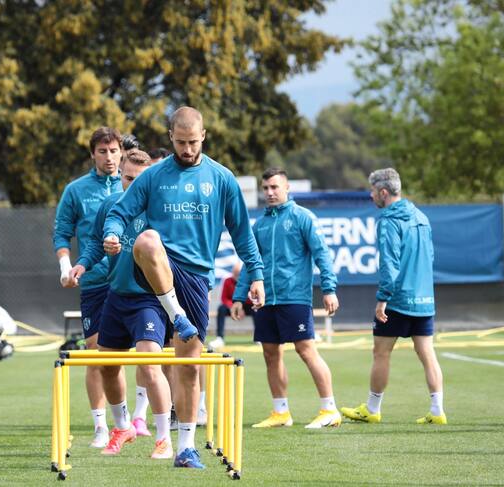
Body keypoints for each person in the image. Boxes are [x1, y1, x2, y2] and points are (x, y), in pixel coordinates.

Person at [102, 106, 265, 469]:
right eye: (180, 142)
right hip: (155, 270)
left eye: (193, 142)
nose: (187, 149)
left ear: (203, 136)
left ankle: (186, 448)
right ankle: (176, 314)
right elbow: (119, 212)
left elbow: (243, 233)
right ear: (170, 137)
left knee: (188, 367)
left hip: (195, 277)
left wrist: (256, 275)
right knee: (146, 241)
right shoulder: (153, 175)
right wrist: (112, 234)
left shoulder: (222, 178)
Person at [72, 149, 174, 459]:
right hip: (116, 295)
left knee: (150, 363)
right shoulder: (110, 206)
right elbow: (95, 243)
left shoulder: (162, 209)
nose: (133, 186)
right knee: (107, 365)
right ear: (121, 177)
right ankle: (122, 427)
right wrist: (83, 264)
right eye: (128, 179)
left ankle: (164, 438)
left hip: (149, 299)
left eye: (140, 181)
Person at [232, 167, 341, 429]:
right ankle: (281, 413)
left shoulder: (303, 217)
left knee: (306, 350)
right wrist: (238, 296)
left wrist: (329, 289)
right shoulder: (260, 224)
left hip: (295, 297)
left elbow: (322, 254)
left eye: (274, 187)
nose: (269, 192)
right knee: (270, 354)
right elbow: (250, 262)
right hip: (265, 300)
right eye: (266, 188)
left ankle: (330, 409)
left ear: (287, 187)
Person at [341, 168, 447, 425]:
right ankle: (437, 411)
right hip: (424, 298)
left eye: (373, 191)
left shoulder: (389, 220)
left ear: (383, 192)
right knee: (427, 353)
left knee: (381, 353)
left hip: (398, 299)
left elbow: (389, 263)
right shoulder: (421, 217)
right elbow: (430, 257)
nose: (371, 195)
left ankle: (372, 409)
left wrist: (383, 299)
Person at [53, 126, 123, 448]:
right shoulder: (76, 190)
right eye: (102, 151)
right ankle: (100, 427)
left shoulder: (133, 185)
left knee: (145, 354)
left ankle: (139, 421)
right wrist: (66, 269)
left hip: (130, 282)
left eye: (114, 151)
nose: (109, 157)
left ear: (122, 152)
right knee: (96, 355)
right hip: (94, 282)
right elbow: (62, 233)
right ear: (92, 154)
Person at [208, 261, 253, 349]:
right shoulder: (227, 281)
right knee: (221, 308)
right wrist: (235, 307)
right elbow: (224, 298)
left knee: (256, 310)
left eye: (238, 274)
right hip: (231, 306)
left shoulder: (248, 281)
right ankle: (220, 338)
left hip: (246, 306)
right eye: (235, 273)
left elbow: (251, 299)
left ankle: (259, 338)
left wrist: (241, 307)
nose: (237, 276)